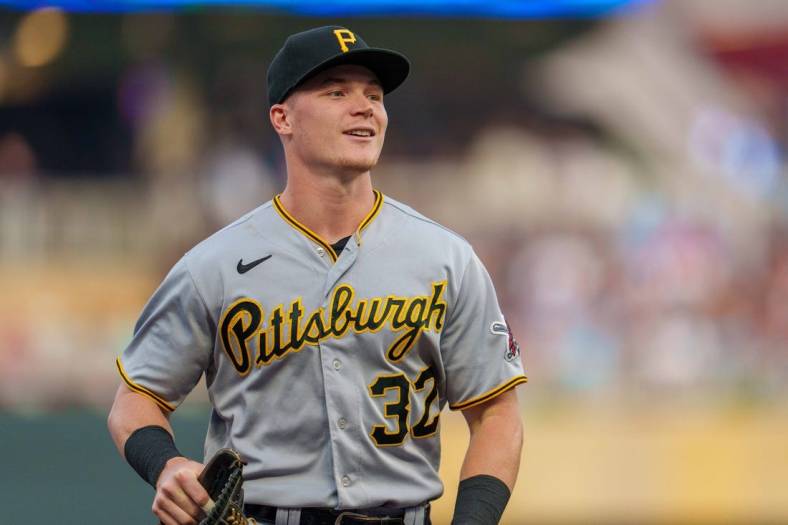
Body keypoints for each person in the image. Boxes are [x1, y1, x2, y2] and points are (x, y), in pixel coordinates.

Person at [108, 26, 526, 525]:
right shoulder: (214, 265)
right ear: (282, 117)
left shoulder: (446, 259)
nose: (365, 106)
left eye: (374, 94)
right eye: (336, 92)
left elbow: (497, 413)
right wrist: (167, 464)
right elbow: (135, 401)